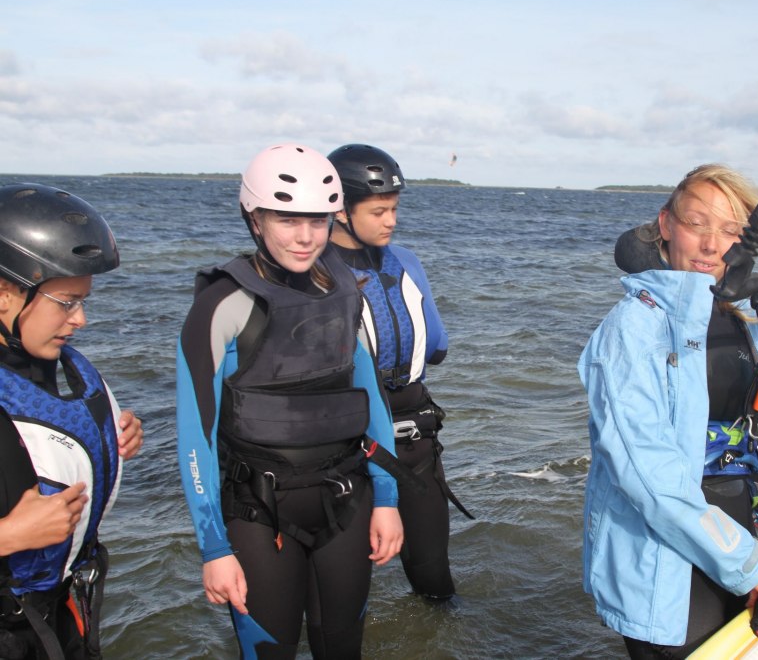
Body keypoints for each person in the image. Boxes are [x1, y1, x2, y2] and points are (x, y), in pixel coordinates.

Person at [578, 164, 758, 658]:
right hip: (662, 556)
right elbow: (647, 475)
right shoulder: (632, 330)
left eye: (730, 229)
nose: (710, 244)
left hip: (737, 532)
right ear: (666, 224)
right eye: (696, 223)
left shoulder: (753, 317)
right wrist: (749, 566)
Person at [177, 143, 404, 659]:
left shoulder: (345, 290)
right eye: (287, 220)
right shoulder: (221, 304)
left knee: (343, 648)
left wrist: (387, 500)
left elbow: (372, 400)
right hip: (258, 511)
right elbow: (195, 437)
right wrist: (214, 548)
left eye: (318, 221)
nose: (305, 237)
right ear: (255, 219)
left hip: (347, 498)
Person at [0, 183, 144, 660]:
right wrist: (9, 536)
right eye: (66, 302)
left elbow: (42, 440)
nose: (80, 319)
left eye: (84, 301)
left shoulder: (57, 370)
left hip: (57, 615)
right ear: (5, 295)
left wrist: (103, 438)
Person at [327, 144, 470, 602]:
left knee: (434, 579)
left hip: (415, 438)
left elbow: (439, 346)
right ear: (341, 210)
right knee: (343, 594)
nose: (391, 221)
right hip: (347, 447)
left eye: (394, 208)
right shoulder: (317, 271)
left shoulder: (406, 260)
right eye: (379, 211)